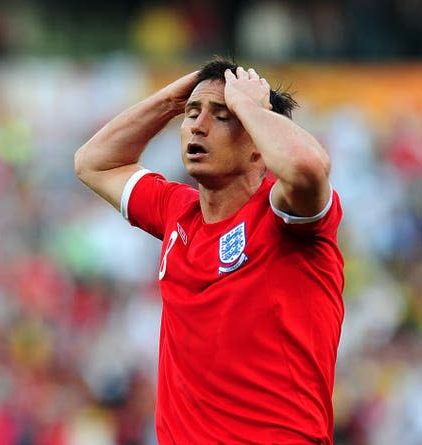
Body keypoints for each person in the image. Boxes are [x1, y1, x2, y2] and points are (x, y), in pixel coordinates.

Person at [74, 57, 344, 444]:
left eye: (222, 116)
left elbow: (307, 168)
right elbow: (93, 163)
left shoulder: (285, 216)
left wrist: (249, 105)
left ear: (258, 145)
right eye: (192, 113)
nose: (197, 125)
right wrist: (173, 99)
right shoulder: (176, 213)